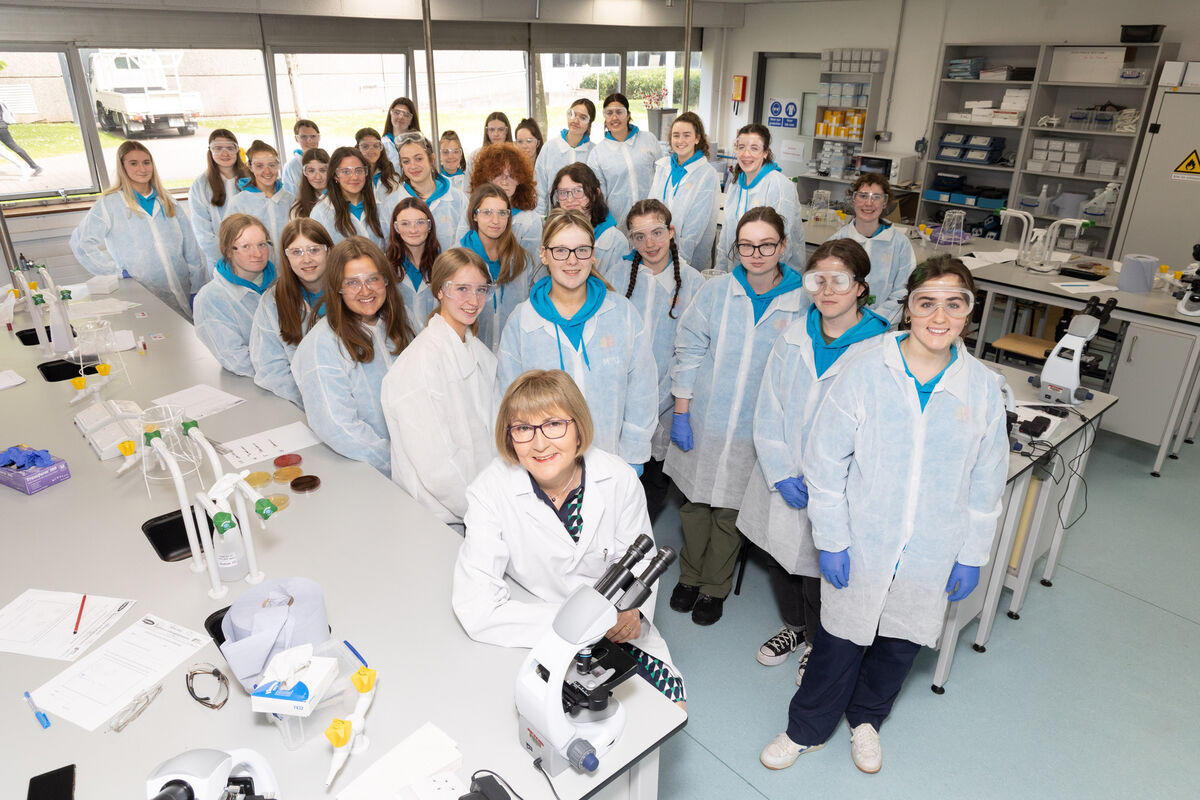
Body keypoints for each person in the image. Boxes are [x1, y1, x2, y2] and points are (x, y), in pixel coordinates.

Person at [759, 255, 1007, 775]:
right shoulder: (868, 367)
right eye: (926, 303)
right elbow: (826, 461)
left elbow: (987, 478)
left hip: (935, 544)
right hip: (864, 538)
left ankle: (867, 719)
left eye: (954, 304)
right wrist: (832, 539)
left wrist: (972, 554)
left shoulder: (982, 387)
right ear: (908, 307)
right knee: (838, 641)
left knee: (900, 643)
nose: (939, 317)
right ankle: (806, 729)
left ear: (970, 311)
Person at [452, 369, 685, 705]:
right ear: (509, 438)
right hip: (537, 626)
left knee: (668, 709)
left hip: (619, 628)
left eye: (554, 424)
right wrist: (581, 623)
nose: (540, 442)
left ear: (578, 428)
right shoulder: (489, 492)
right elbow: (477, 608)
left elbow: (641, 559)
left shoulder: (617, 478)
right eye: (523, 428)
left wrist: (634, 613)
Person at [737, 239, 889, 684]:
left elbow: (879, 431)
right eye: (816, 279)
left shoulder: (881, 347)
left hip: (842, 484)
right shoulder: (793, 334)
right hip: (786, 472)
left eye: (839, 280)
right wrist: (781, 471)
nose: (827, 289)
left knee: (823, 569)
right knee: (782, 556)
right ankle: (796, 628)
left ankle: (821, 643)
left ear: (860, 287)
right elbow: (769, 408)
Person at [666, 206, 808, 626]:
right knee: (694, 504)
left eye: (766, 244)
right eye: (746, 245)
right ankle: (688, 577)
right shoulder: (716, 292)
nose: (756, 253)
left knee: (730, 512)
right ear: (736, 248)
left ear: (783, 246)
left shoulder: (802, 301)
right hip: (707, 415)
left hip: (758, 427)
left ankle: (714, 587)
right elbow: (689, 349)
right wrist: (681, 410)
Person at [497, 209, 656, 470]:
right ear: (544, 254)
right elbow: (507, 400)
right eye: (560, 250)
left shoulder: (621, 314)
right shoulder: (522, 322)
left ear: (594, 255)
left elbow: (642, 391)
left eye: (581, 250)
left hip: (611, 463)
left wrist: (633, 457)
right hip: (544, 467)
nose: (572, 260)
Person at [382, 248, 498, 528]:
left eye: (481, 289)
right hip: (443, 519)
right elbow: (437, 465)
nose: (473, 300)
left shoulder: (478, 352)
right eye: (462, 289)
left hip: (483, 503)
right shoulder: (421, 363)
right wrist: (487, 515)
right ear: (439, 291)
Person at [291, 237, 415, 476]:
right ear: (337, 287)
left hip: (416, 455)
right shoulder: (322, 345)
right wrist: (397, 462)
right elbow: (339, 427)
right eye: (352, 283)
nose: (365, 291)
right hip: (373, 469)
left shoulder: (401, 320)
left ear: (386, 281)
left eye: (372, 279)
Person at [623, 199, 705, 522]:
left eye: (657, 232)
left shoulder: (694, 283)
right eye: (639, 237)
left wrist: (655, 402)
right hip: (622, 404)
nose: (650, 244)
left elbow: (690, 352)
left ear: (671, 232)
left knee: (650, 489)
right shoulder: (621, 275)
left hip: (666, 407)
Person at [70, 141, 206, 320]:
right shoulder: (110, 204)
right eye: (133, 163)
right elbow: (81, 243)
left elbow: (192, 250)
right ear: (123, 167)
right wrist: (114, 273)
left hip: (183, 288)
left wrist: (197, 287)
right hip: (141, 293)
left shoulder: (167, 201)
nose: (142, 168)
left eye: (146, 162)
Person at [250, 217, 332, 407]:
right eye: (296, 252)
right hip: (302, 402)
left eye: (314, 249)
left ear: (329, 251)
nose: (307, 259)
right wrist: (313, 401)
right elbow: (271, 367)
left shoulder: (350, 290)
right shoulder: (273, 301)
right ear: (286, 257)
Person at [193, 213, 277, 377]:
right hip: (253, 383)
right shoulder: (211, 299)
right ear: (227, 251)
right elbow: (236, 359)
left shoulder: (281, 284)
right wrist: (284, 374)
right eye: (246, 246)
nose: (258, 254)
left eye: (262, 244)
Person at [827, 173, 916, 326]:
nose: (869, 203)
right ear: (853, 199)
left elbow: (903, 292)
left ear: (885, 202)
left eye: (876, 197)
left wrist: (876, 321)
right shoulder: (837, 242)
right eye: (863, 196)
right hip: (842, 323)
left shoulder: (900, 244)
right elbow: (826, 285)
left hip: (883, 326)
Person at [714, 124, 804, 273]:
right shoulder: (736, 183)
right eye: (741, 147)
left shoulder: (779, 185)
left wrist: (763, 282)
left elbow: (781, 245)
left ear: (765, 153)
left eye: (754, 148)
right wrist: (720, 273)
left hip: (772, 278)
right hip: (737, 275)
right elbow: (726, 238)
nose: (746, 154)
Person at [458, 183, 534, 351]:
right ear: (474, 215)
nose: (495, 220)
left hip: (512, 353)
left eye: (502, 213)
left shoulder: (521, 260)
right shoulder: (457, 258)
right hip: (469, 356)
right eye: (487, 212)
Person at [648, 112, 719, 270]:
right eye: (676, 135)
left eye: (687, 135)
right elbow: (650, 207)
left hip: (688, 261)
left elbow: (696, 228)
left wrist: (678, 263)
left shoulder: (707, 174)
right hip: (656, 252)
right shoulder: (663, 167)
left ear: (697, 138)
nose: (680, 141)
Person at [586, 93, 660, 231]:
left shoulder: (648, 139)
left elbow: (662, 177)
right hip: (619, 224)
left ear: (628, 115)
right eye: (609, 113)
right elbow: (599, 197)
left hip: (653, 218)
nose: (614, 117)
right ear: (605, 117)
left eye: (620, 112)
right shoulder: (598, 153)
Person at [549, 162, 628, 284]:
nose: (570, 199)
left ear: (595, 194)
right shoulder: (552, 234)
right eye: (563, 193)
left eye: (578, 191)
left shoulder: (615, 241)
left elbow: (616, 290)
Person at [466, 142, 541, 263]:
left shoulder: (530, 221)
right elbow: (460, 252)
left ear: (520, 180)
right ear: (486, 178)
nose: (505, 182)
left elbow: (533, 266)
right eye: (498, 175)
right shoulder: (472, 209)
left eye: (511, 175)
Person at [188, 128, 250, 268]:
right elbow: (202, 230)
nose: (225, 153)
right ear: (210, 152)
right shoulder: (201, 185)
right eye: (218, 148)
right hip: (221, 259)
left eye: (230, 148)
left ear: (237, 150)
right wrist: (225, 255)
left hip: (253, 255)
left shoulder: (250, 178)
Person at [398, 134, 466, 253]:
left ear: (432, 159)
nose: (413, 166)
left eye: (419, 159)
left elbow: (465, 240)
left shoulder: (458, 199)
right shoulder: (393, 202)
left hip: (451, 269)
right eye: (406, 161)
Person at [310, 146, 389, 250]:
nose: (354, 177)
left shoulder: (381, 204)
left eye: (359, 170)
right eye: (346, 172)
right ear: (335, 175)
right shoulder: (320, 212)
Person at [227, 140, 295, 250]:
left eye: (272, 165)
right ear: (250, 167)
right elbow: (231, 242)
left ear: (278, 165)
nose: (267, 171)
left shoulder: (290, 200)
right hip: (254, 264)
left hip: (287, 264)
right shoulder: (238, 203)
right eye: (259, 166)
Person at [385, 196, 440, 327]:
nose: (413, 230)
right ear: (396, 228)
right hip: (398, 343)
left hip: (435, 343)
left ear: (429, 225)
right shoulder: (384, 265)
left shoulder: (442, 264)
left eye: (420, 222)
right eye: (405, 223)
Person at [534, 98, 596, 214]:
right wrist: (541, 219)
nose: (575, 120)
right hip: (555, 217)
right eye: (572, 114)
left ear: (589, 124)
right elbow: (539, 188)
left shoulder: (594, 152)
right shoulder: (550, 148)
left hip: (586, 218)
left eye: (583, 118)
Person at [355, 127, 402, 205]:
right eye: (365, 146)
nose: (371, 150)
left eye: (375, 146)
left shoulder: (390, 175)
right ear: (357, 148)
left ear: (381, 147)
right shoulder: (354, 177)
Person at [0, 99, 42, 176]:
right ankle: (34, 166)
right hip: (3, 128)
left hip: (1, 129)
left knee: (6, 150)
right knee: (13, 147)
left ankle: (28, 166)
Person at [281, 119, 320, 195]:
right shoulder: (291, 166)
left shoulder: (326, 160)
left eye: (313, 136)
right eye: (304, 137)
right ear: (296, 139)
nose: (309, 141)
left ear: (318, 137)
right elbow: (291, 196)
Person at [381, 97, 420, 171]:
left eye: (406, 114)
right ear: (390, 115)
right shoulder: (382, 144)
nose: (400, 117)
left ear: (411, 120)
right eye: (396, 112)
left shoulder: (419, 143)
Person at [290, 148, 329, 219]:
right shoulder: (298, 209)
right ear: (304, 173)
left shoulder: (343, 200)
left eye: (323, 170)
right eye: (311, 171)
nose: (318, 177)